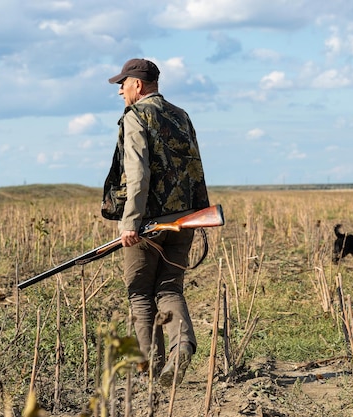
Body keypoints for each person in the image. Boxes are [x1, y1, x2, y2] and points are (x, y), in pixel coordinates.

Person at [103, 58, 210, 386]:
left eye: (123, 83)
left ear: (138, 84)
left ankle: (151, 369)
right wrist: (198, 215)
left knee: (139, 291)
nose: (120, 89)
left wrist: (130, 222)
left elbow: (138, 174)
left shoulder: (136, 116)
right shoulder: (181, 115)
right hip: (183, 220)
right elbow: (196, 167)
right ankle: (181, 349)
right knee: (169, 287)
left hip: (148, 223)